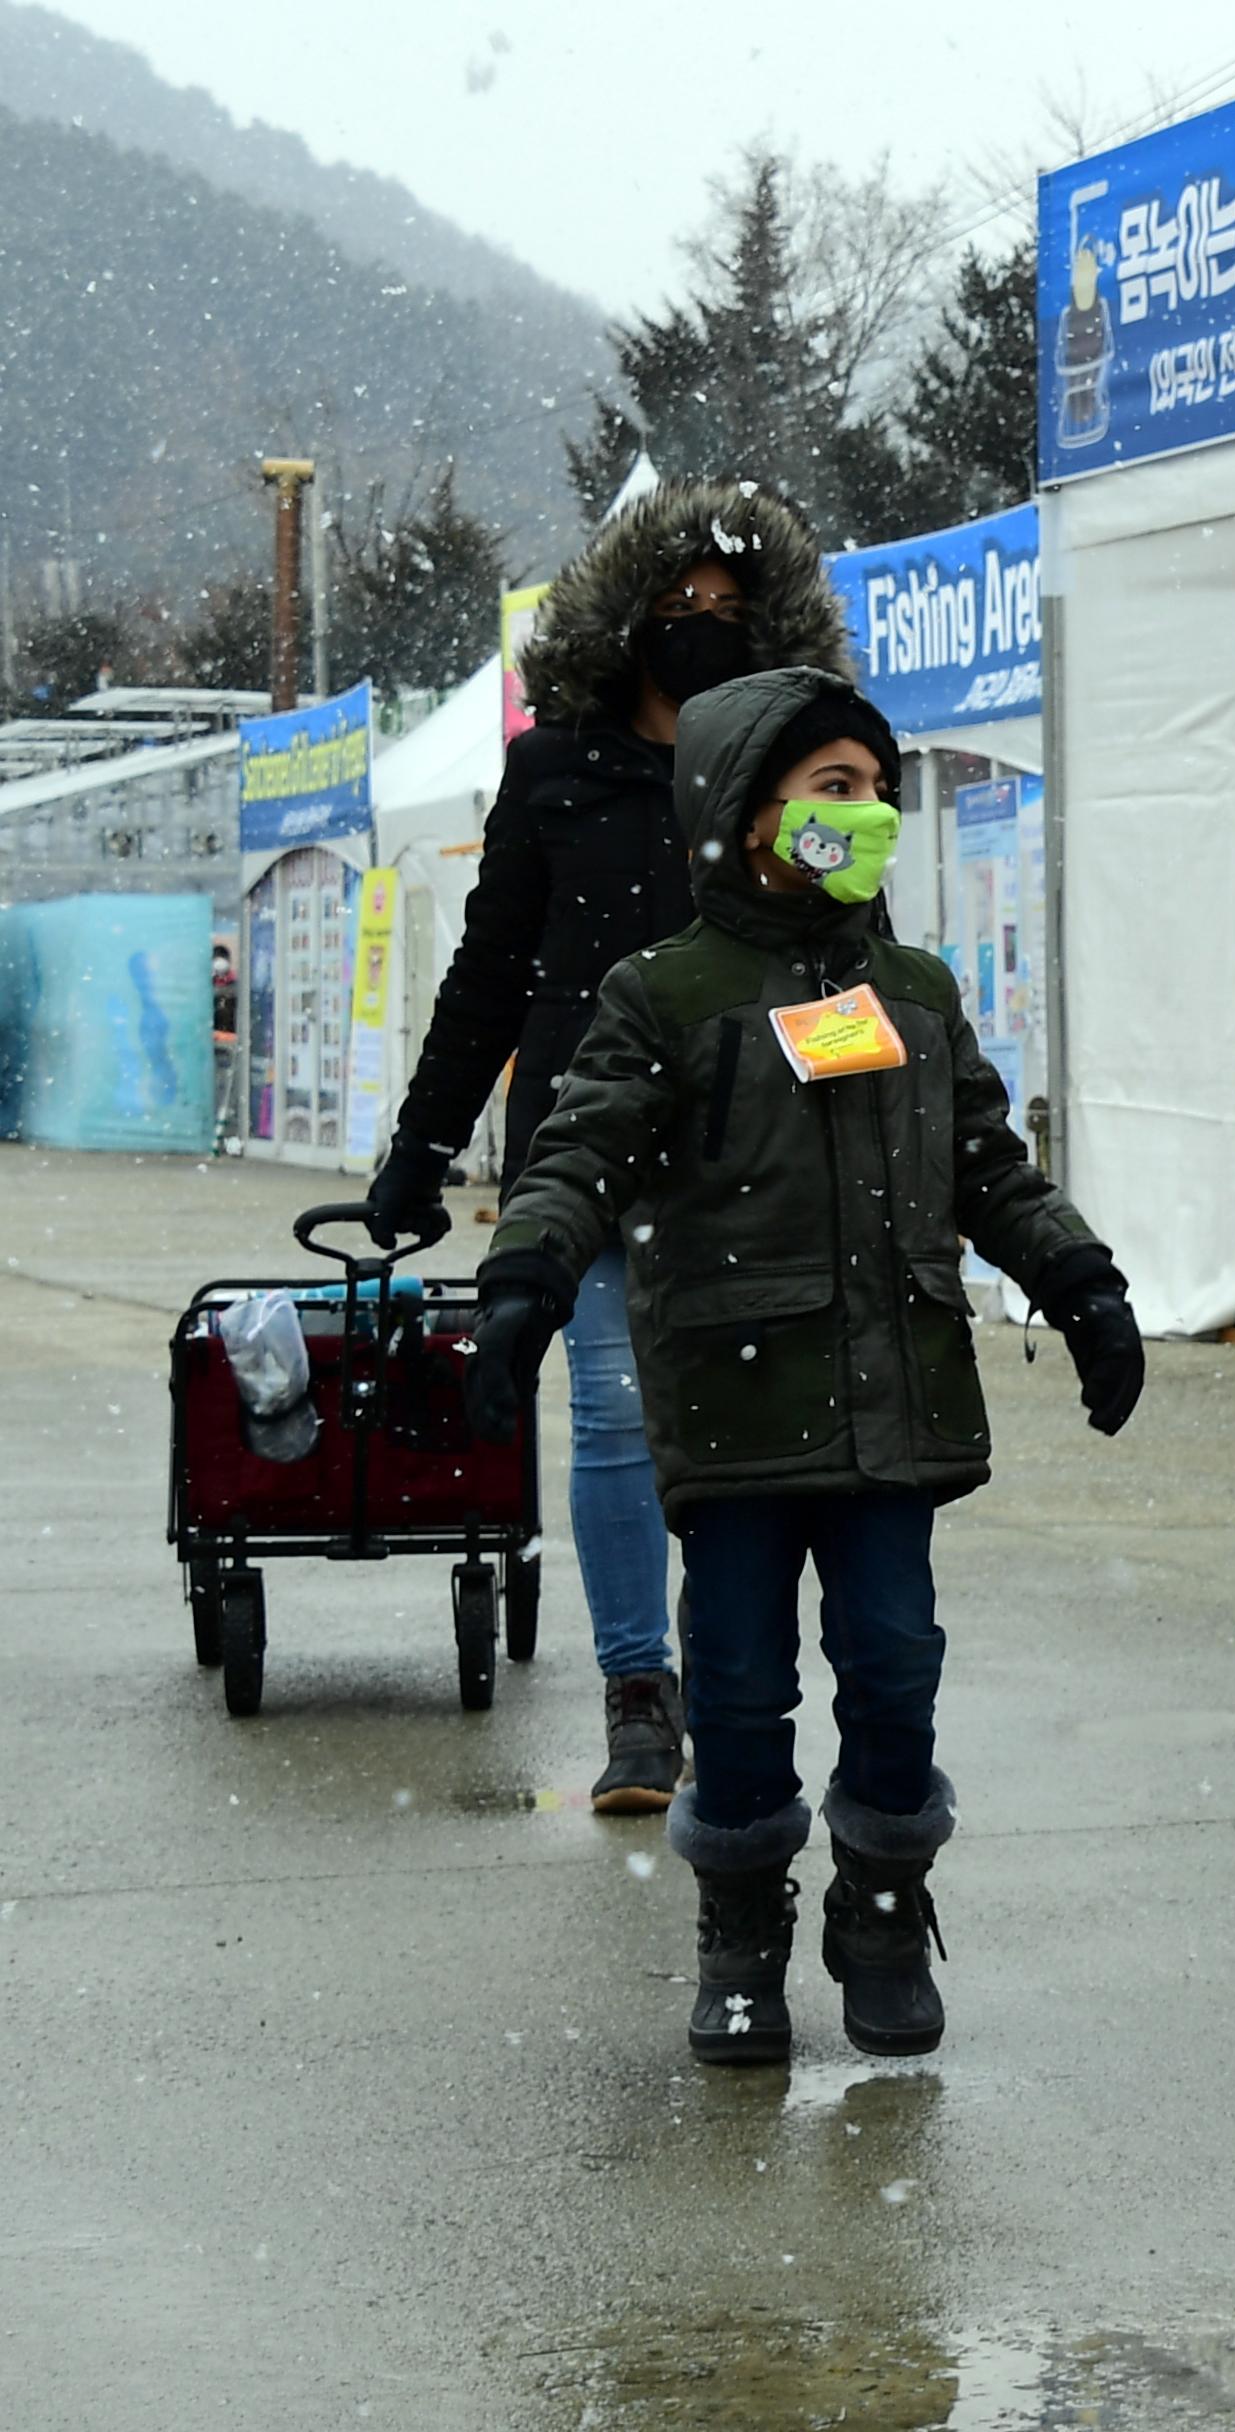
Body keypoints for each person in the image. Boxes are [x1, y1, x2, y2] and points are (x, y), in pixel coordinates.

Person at [460, 669, 1145, 2067]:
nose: (868, 816)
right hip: (736, 1414)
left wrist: (1080, 1281)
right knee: (737, 1686)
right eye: (836, 790)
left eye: (879, 794)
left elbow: (982, 1164)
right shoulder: (668, 993)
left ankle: (884, 1912)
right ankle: (739, 1936)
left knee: (895, 1668)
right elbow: (579, 1151)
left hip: (895, 1409)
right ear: (742, 808)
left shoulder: (914, 990)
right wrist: (525, 1279)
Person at [365, 478, 854, 1815]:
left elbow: (843, 965)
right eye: (675, 605)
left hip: (754, 1153)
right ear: (625, 621)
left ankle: (731, 1674)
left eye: (726, 609)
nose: (697, 626)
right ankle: (640, 1694)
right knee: (618, 1420)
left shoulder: (785, 780)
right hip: (588, 1155)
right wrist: (420, 1150)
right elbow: (488, 975)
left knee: (752, 1438)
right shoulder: (555, 772)